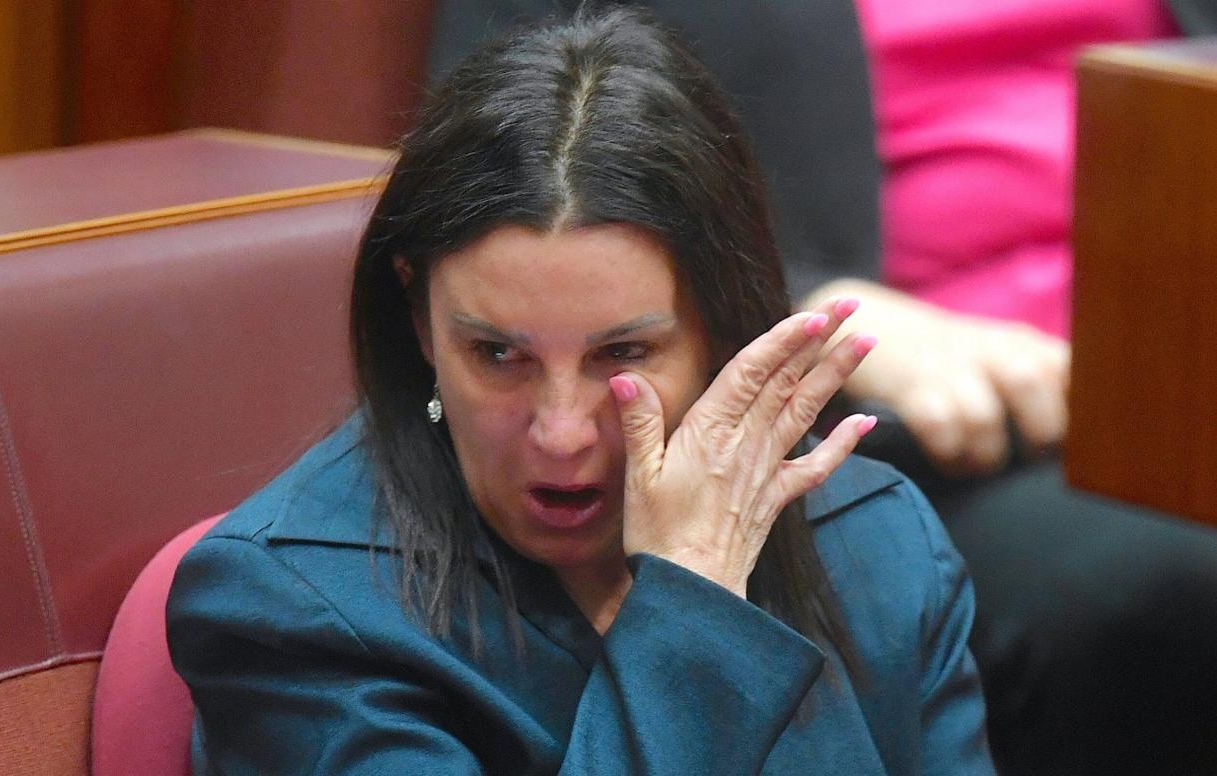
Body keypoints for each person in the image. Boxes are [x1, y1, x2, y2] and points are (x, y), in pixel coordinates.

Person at [167, 8, 996, 774]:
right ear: (421, 323)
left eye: (623, 352)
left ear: (716, 332)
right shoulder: (290, 611)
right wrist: (694, 595)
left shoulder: (879, 546)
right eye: (497, 354)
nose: (561, 433)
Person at [427, 1, 1217, 774]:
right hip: (898, 415)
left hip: (1172, 375)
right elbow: (504, 164)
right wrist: (808, 308)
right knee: (1166, 578)